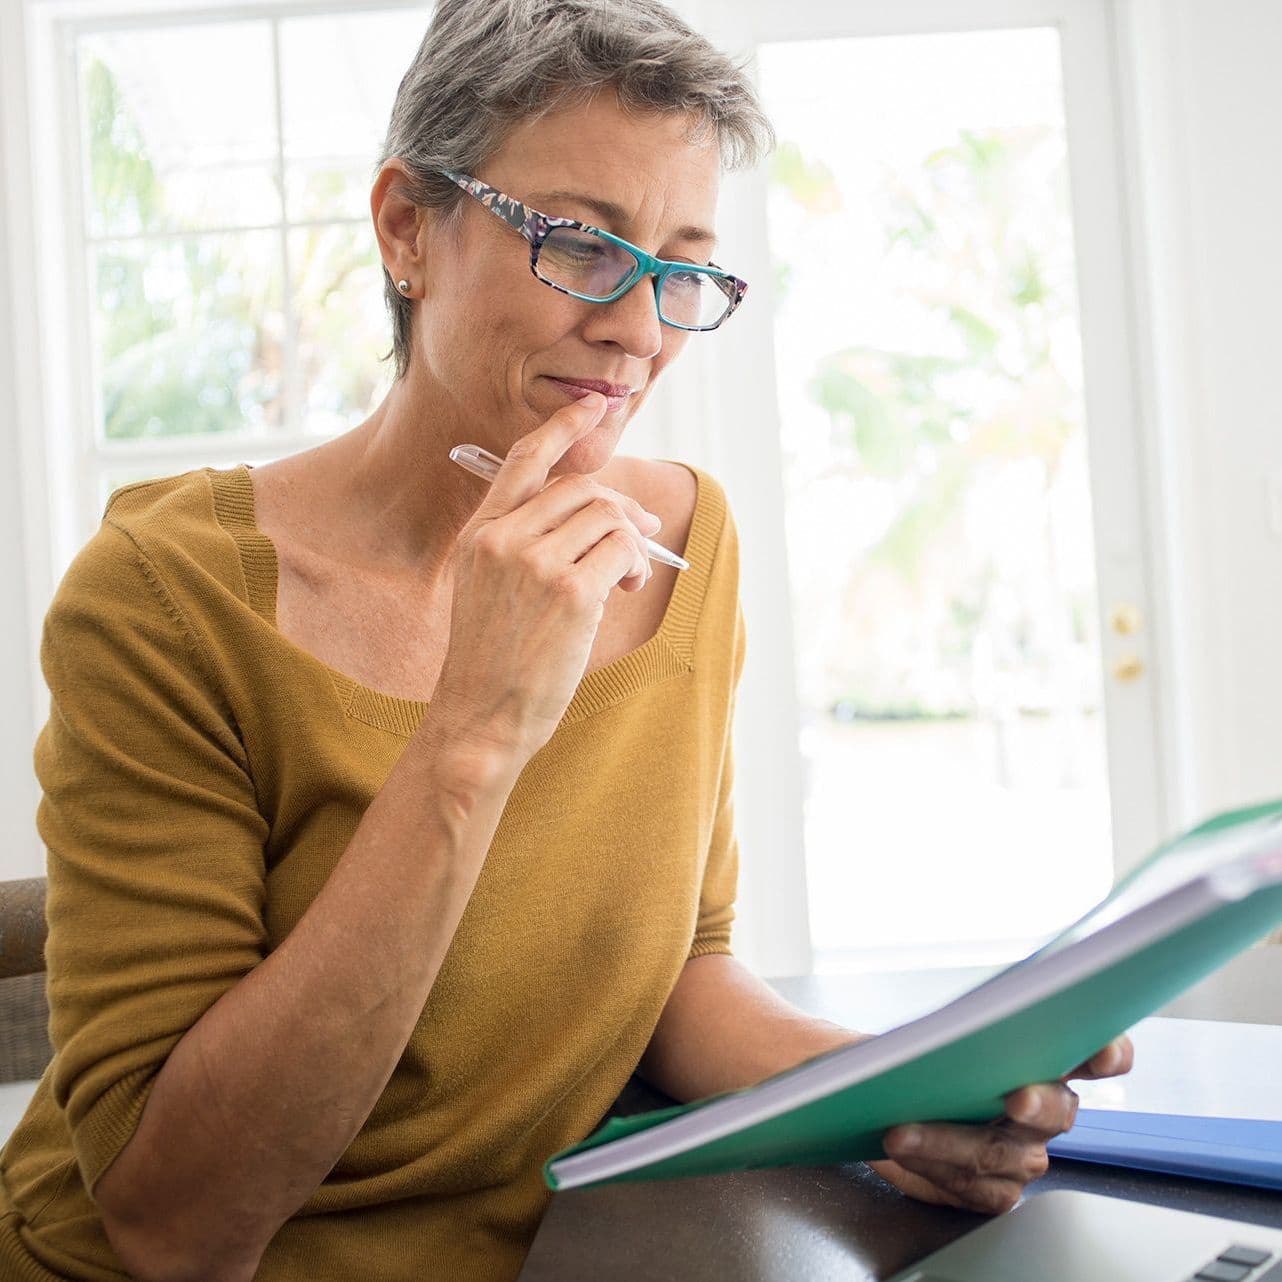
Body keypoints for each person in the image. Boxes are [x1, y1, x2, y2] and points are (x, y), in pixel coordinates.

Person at [0, 1, 1132, 1279]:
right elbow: (175, 1226)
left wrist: (902, 1089)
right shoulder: (165, 598)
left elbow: (677, 976)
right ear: (405, 230)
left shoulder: (686, 546)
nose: (640, 333)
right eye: (582, 248)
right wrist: (474, 729)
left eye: (681, 268)